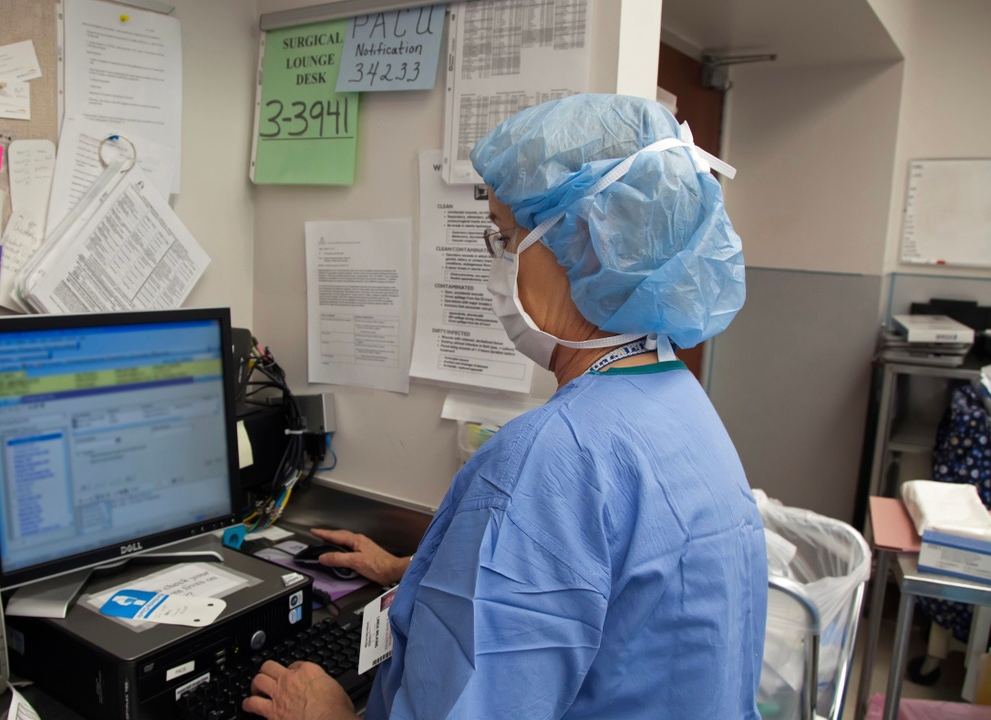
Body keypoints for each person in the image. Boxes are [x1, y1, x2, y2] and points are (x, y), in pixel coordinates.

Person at [243, 94, 768, 720]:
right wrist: (414, 571)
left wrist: (330, 716)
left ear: (586, 245)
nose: (497, 257)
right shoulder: (680, 404)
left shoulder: (548, 457)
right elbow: (602, 599)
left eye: (507, 235)